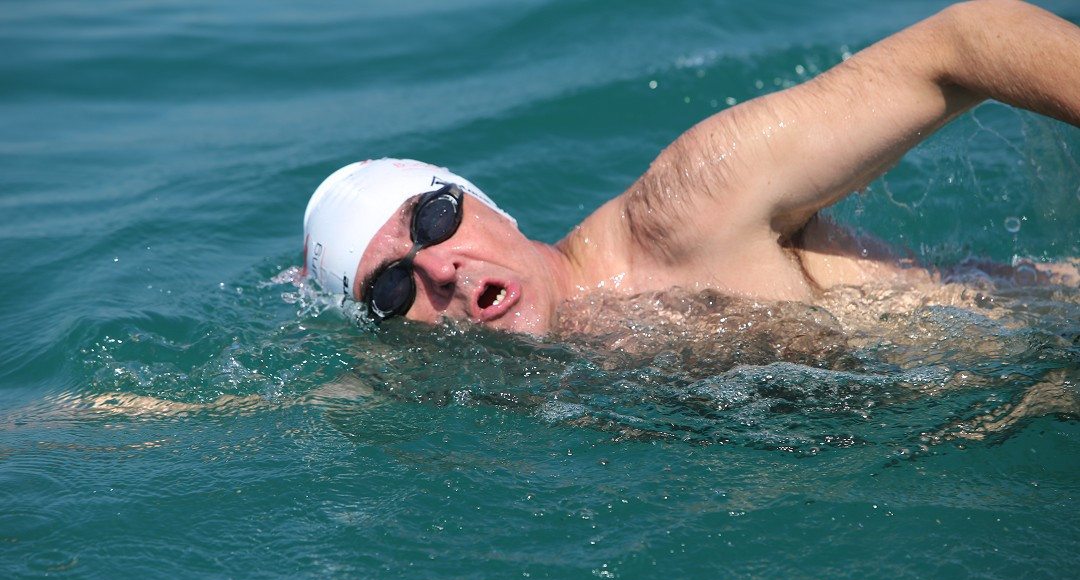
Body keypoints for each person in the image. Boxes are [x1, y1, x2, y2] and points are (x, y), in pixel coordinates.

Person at [302, 0, 1080, 337]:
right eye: (393, 287)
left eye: (433, 218)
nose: (438, 267)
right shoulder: (518, 385)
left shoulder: (687, 211)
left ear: (488, 207)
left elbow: (965, 42)